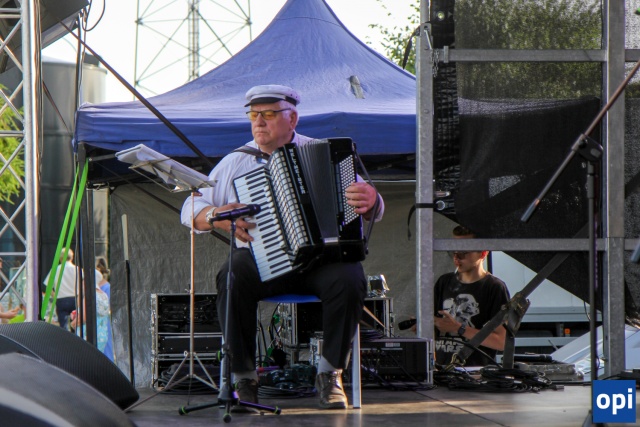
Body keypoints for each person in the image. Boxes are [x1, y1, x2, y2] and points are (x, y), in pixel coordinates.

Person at [181, 84, 383, 411]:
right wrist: (215, 216)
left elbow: (371, 204)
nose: (259, 122)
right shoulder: (236, 161)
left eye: (269, 114)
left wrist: (372, 200)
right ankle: (244, 378)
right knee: (232, 274)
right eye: (253, 115)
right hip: (262, 263)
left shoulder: (328, 154)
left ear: (293, 119)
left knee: (350, 277)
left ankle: (330, 374)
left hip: (320, 263)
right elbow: (190, 207)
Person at [433, 225, 510, 367]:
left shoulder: (494, 288)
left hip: (476, 374)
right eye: (453, 251)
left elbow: (502, 341)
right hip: (442, 371)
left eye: (463, 252)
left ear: (483, 253)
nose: (456, 257)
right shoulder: (443, 282)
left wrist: (458, 328)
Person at [42, 248, 79, 329]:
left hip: (61, 300)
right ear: (72, 257)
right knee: (76, 325)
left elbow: (48, 287)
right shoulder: (77, 269)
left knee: (63, 326)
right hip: (76, 299)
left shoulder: (55, 269)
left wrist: (55, 296)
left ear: (60, 258)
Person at [96, 257, 114, 362]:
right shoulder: (95, 286)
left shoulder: (107, 287)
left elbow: (109, 307)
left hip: (103, 321)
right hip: (97, 321)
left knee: (106, 346)